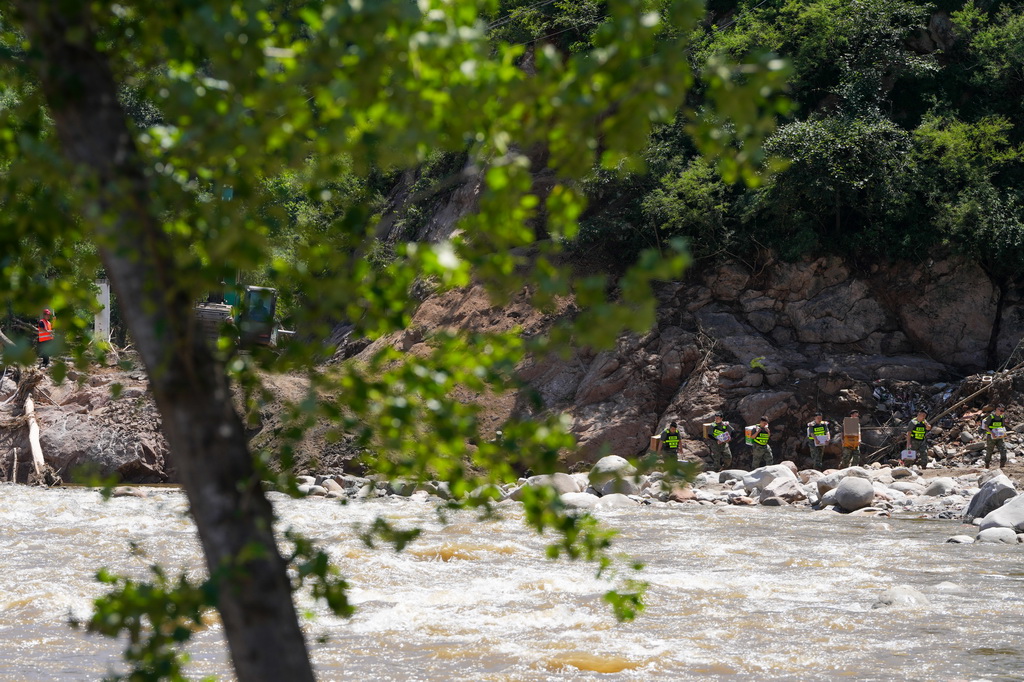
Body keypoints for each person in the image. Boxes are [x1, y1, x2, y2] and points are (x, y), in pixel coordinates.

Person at [982, 405, 1009, 469]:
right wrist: (992, 433)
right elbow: (986, 426)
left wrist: (1004, 433)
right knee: (989, 451)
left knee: (1003, 449)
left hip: (999, 436)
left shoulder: (1002, 417)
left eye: (1003, 411)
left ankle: (1002, 465)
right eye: (1001, 410)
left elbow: (1002, 427)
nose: (1002, 412)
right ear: (997, 409)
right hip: (991, 437)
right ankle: (987, 464)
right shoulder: (991, 417)